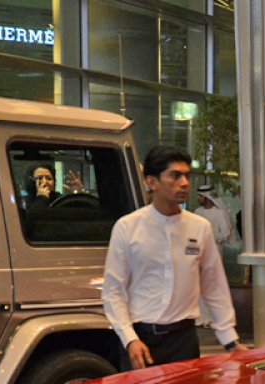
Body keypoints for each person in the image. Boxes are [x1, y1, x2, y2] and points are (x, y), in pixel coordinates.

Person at [102, 147, 244, 370]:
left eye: (187, 175)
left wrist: (229, 339)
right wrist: (129, 338)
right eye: (175, 175)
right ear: (152, 182)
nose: (185, 182)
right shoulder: (127, 227)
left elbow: (213, 285)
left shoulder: (199, 227)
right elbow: (113, 291)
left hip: (184, 341)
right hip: (141, 341)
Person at [193, 185, 239, 250]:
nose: (197, 198)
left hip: (215, 250)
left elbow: (226, 233)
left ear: (207, 197)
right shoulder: (197, 211)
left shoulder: (219, 213)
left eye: (200, 196)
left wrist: (212, 236)